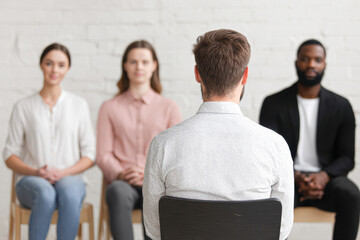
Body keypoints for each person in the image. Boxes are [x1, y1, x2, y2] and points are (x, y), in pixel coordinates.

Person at [143, 29, 294, 240]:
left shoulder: (163, 144)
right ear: (245, 76)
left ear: (197, 74)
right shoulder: (275, 146)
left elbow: (154, 230)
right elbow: (281, 229)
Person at [260, 39, 360, 240]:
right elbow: (268, 155)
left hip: (328, 181)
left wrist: (323, 177)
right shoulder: (273, 104)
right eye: (305, 59)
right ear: (296, 63)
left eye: (317, 60)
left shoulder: (342, 106)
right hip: (288, 180)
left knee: (351, 194)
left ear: (324, 65)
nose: (311, 64)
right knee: (268, 198)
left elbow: (347, 158)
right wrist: (296, 177)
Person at [3, 43, 95, 240]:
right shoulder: (23, 107)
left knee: (69, 193)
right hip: (31, 180)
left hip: (70, 177)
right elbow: (9, 155)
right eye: (49, 63)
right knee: (45, 194)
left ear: (68, 68)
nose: (55, 70)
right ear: (41, 65)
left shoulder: (78, 105)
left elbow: (90, 154)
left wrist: (63, 172)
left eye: (61, 65)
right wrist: (37, 171)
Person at [96, 40, 182, 240]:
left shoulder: (169, 107)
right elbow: (103, 154)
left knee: (154, 194)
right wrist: (121, 173)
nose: (139, 67)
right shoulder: (109, 107)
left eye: (144, 62)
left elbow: (175, 154)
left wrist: (147, 175)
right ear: (125, 66)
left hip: (155, 184)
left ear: (154, 65)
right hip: (122, 184)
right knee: (116, 191)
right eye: (133, 62)